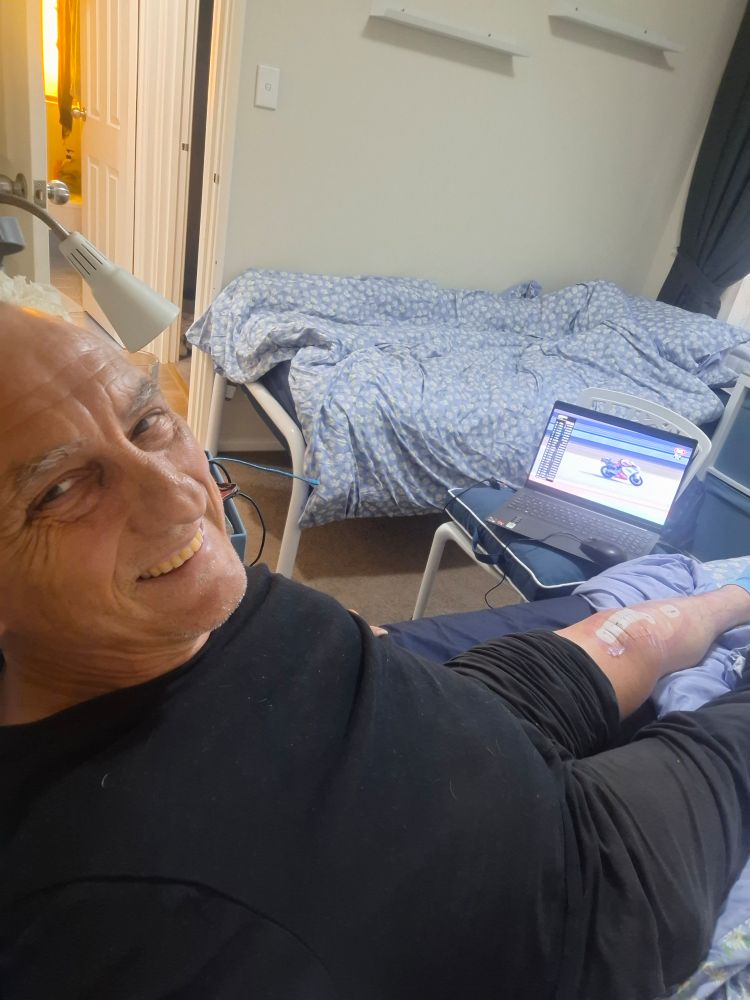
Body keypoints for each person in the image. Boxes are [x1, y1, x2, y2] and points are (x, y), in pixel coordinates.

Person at [1, 302, 750, 1000]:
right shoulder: (127, 914)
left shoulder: (159, 619)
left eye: (145, 423)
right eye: (61, 491)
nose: (185, 497)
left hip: (453, 713)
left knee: (645, 627)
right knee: (730, 737)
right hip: (573, 878)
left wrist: (361, 646)